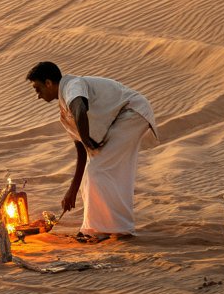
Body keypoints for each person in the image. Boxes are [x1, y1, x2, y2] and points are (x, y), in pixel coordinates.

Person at [26, 61, 158, 241]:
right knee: (94, 171)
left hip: (132, 112)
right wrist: (72, 190)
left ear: (49, 83)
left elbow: (80, 107)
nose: (38, 96)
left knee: (98, 170)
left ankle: (109, 229)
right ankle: (100, 227)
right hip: (123, 117)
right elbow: (81, 151)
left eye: (37, 89)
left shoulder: (72, 86)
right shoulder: (64, 113)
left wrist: (86, 137)